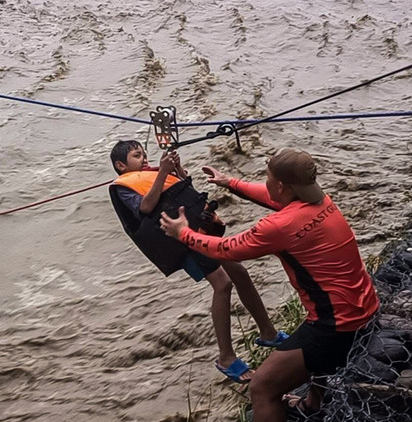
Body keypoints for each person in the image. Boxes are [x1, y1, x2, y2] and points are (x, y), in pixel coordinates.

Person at [159, 148, 379, 422]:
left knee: (262, 387)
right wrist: (231, 183)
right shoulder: (321, 202)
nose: (266, 182)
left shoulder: (279, 226)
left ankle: (303, 402)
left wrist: (183, 233)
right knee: (312, 351)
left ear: (280, 185)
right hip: (367, 310)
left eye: (267, 177)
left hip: (335, 327)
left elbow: (226, 249)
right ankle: (313, 404)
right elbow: (273, 198)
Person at [109, 140, 287, 384]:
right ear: (121, 165)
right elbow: (146, 206)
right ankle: (226, 357)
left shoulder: (150, 175)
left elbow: (183, 189)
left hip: (198, 232)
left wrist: (177, 171)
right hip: (179, 241)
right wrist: (161, 172)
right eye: (137, 156)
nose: (144, 159)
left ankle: (268, 332)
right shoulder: (124, 186)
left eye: (144, 154)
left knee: (240, 273)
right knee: (222, 285)